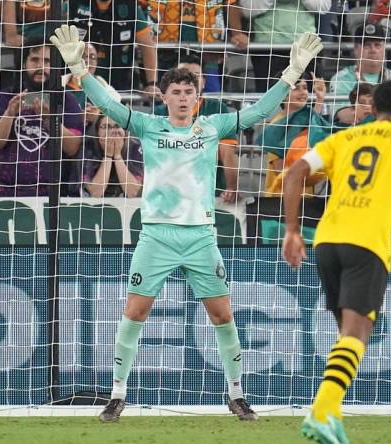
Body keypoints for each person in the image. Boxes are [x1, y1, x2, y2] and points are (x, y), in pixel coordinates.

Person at [49, 24, 322, 422]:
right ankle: (117, 394)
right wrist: (80, 70)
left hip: (200, 237)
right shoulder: (148, 126)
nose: (182, 97)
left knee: (222, 316)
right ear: (164, 97)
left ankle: (236, 394)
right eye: (175, 92)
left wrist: (291, 75)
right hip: (156, 236)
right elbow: (108, 107)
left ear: (198, 97)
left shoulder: (212, 128)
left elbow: (260, 112)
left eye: (188, 92)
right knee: (135, 313)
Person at [281, 80, 391, 443]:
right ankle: (321, 411)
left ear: (371, 108)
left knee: (345, 337)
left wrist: (292, 230)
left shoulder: (345, 139)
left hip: (326, 241)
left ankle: (331, 416)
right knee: (357, 335)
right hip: (367, 244)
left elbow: (295, 173)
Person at [0, 39, 83, 197]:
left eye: (47, 61)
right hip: (7, 194)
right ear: (24, 63)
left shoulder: (66, 100)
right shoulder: (6, 97)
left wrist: (50, 120)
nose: (40, 67)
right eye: (35, 60)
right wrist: (9, 114)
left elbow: (72, 148)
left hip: (53, 196)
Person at [154, 53, 242, 203]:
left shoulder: (217, 109)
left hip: (210, 192)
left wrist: (232, 187)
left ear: (203, 82)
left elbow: (227, 151)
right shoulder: (160, 113)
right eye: (182, 76)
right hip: (169, 192)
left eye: (194, 76)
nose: (188, 81)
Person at [69, 0, 160, 95]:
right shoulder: (72, 4)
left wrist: (152, 83)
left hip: (118, 82)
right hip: (77, 82)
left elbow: (147, 46)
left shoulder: (131, 6)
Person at [239, 0, 331, 92]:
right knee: (269, 97)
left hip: (306, 47)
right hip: (268, 48)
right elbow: (246, 10)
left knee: (312, 97)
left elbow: (324, 7)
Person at [329, 23, 391, 125]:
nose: (373, 50)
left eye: (377, 45)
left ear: (384, 48)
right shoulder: (340, 79)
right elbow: (344, 116)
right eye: (367, 45)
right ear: (355, 49)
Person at [82, 115, 143, 198]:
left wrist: (117, 156)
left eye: (117, 126)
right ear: (97, 131)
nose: (113, 131)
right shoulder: (88, 147)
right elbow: (95, 193)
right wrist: (108, 156)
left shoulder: (135, 147)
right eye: (106, 127)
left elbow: (132, 193)